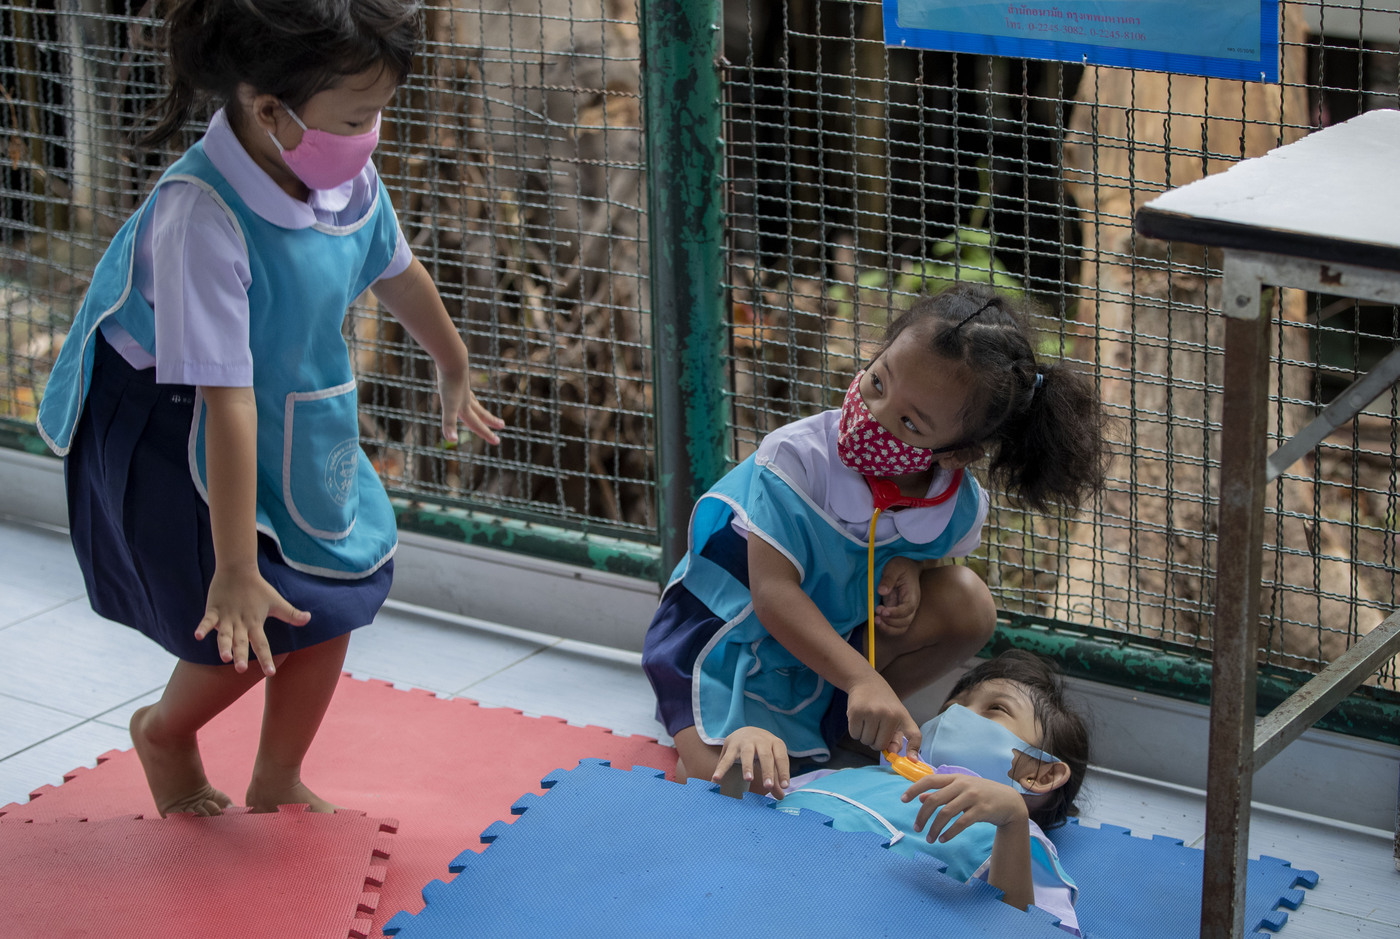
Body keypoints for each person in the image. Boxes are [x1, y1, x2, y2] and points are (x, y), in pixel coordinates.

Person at [36, 0, 503, 818]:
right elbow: (225, 399)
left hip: (283, 398)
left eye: (378, 112)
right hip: (177, 419)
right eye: (357, 117)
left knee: (336, 590)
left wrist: (454, 361)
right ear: (269, 112)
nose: (373, 134)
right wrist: (237, 566)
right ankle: (165, 734)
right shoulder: (201, 216)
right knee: (246, 622)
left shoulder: (335, 168)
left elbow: (395, 266)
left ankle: (276, 776)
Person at [642, 282, 1107, 791]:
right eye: (879, 382)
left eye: (910, 422)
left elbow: (928, 555)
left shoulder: (956, 501)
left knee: (968, 602)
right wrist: (864, 678)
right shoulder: (796, 461)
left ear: (955, 454)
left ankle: (848, 724)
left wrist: (915, 565)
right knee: (726, 783)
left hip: (830, 641)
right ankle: (749, 725)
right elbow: (772, 595)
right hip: (734, 632)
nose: (874, 417)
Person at [719, 650, 1090, 935]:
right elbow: (726, 836)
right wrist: (743, 756)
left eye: (995, 709)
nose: (956, 714)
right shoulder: (844, 776)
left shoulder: (1015, 836)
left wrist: (1012, 819)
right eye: (953, 705)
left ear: (1040, 775)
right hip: (745, 899)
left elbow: (1023, 930)